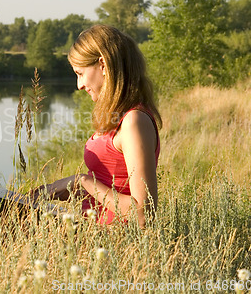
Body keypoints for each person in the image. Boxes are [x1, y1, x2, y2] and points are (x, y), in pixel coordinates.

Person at [30, 24, 162, 228]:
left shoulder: (134, 121)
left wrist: (83, 181)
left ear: (103, 65)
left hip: (116, 247)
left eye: (80, 73)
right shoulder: (117, 116)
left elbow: (143, 213)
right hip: (93, 235)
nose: (79, 85)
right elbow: (113, 187)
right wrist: (69, 190)